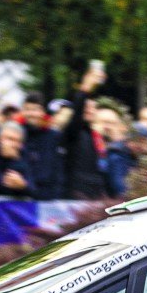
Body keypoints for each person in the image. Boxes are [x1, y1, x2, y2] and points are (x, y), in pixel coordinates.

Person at [62, 64, 109, 199]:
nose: (89, 110)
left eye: (92, 107)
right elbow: (76, 116)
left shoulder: (96, 136)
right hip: (77, 193)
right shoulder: (73, 132)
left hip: (96, 194)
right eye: (85, 107)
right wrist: (85, 89)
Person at [20, 92, 64, 200]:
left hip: (49, 197)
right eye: (27, 109)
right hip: (22, 196)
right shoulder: (17, 133)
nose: (31, 113)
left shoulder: (54, 136)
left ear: (43, 112)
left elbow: (58, 168)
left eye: (35, 109)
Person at [0, 123, 37, 199]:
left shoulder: (24, 155)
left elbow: (33, 189)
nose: (11, 143)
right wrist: (21, 186)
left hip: (19, 205)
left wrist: (23, 185)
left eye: (16, 141)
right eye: (8, 139)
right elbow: (1, 186)